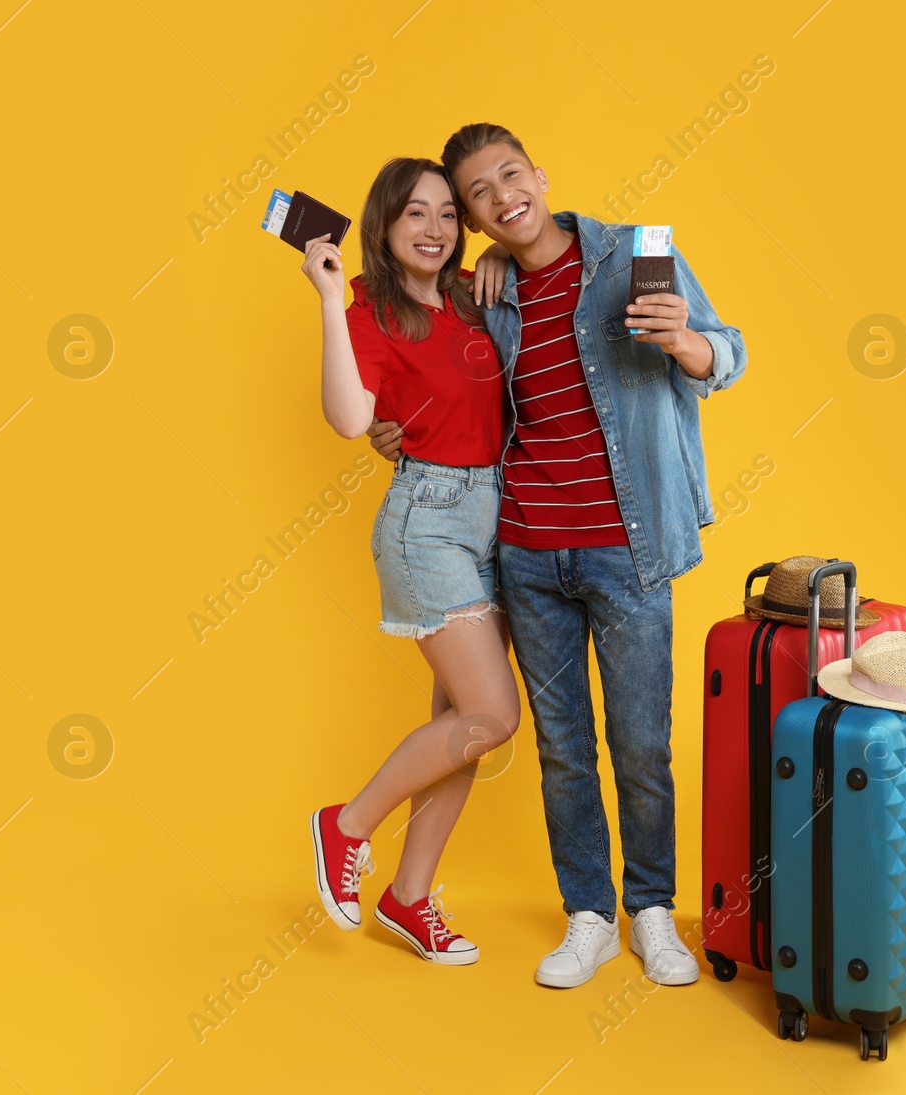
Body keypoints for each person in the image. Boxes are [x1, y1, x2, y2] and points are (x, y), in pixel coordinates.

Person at [368, 124, 746, 988]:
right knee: (563, 746)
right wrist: (393, 431)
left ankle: (652, 910)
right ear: (471, 218)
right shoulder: (484, 292)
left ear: (540, 175)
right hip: (527, 555)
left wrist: (686, 342)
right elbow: (448, 390)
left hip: (628, 549)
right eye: (479, 195)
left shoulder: (632, 256)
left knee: (642, 744)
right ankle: (589, 914)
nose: (503, 198)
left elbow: (729, 354)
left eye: (510, 176)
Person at [300, 156, 518, 966]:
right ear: (384, 229)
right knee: (493, 715)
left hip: (494, 520)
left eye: (446, 215)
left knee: (460, 727)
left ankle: (410, 895)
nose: (435, 230)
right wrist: (328, 299)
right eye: (415, 215)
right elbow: (353, 419)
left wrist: (491, 255)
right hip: (426, 523)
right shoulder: (365, 307)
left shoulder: (469, 294)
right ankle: (346, 824)